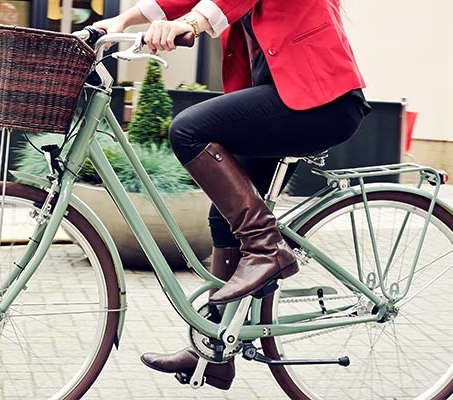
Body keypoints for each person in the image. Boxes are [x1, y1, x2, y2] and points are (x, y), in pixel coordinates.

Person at [95, 0, 371, 391]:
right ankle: (214, 352)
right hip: (282, 98)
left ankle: (266, 249)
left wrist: (188, 23)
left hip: (318, 98)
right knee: (222, 215)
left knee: (188, 129)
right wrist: (123, 19)